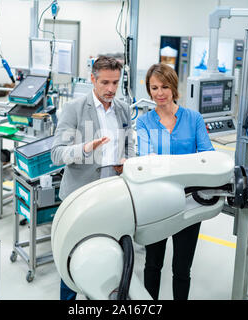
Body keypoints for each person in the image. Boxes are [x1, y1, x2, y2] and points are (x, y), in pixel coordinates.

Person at [51, 56, 135, 300]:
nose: (111, 89)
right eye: (105, 82)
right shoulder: (74, 110)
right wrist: (85, 148)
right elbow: (56, 154)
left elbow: (129, 145)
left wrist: (127, 163)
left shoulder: (123, 109)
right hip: (80, 199)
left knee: (111, 257)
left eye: (115, 83)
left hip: (112, 198)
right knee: (72, 258)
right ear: (93, 79)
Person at [136, 63, 214, 300]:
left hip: (189, 202)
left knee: (182, 269)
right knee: (152, 264)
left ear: (173, 87)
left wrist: (165, 163)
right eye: (154, 88)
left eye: (164, 87)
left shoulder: (193, 118)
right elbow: (146, 160)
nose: (159, 93)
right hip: (156, 203)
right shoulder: (144, 122)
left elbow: (208, 155)